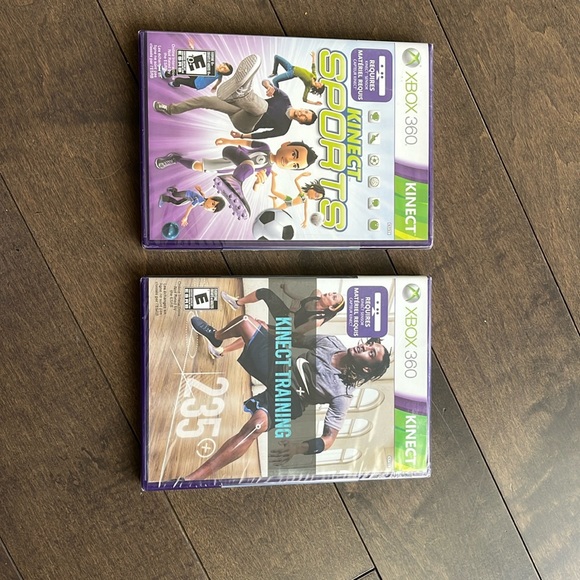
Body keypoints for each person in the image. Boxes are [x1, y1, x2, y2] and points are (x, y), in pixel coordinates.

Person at [172, 313, 390, 484]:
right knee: (245, 322)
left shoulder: (343, 394)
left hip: (289, 399)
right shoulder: (330, 342)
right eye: (370, 344)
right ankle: (216, 336)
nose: (366, 347)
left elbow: (329, 438)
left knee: (255, 426)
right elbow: (296, 338)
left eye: (371, 353)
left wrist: (298, 448)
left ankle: (194, 478)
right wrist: (266, 328)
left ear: (366, 368)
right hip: (281, 366)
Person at [153, 54, 317, 139]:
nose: (302, 114)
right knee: (204, 100)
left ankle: (243, 91)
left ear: (301, 122)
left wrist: (241, 136)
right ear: (304, 108)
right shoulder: (284, 98)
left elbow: (262, 135)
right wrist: (268, 86)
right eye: (306, 112)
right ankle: (170, 109)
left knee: (261, 108)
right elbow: (266, 81)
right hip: (239, 107)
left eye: (304, 118)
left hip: (245, 124)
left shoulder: (284, 128)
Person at [208, 286, 345, 358]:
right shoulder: (317, 293)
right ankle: (237, 303)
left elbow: (295, 331)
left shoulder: (318, 320)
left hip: (288, 333)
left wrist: (292, 313)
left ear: (332, 307)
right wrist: (287, 291)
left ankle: (221, 351)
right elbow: (301, 300)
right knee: (265, 293)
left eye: (334, 297)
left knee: (256, 329)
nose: (330, 294)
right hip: (289, 315)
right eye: (333, 292)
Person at [154, 139, 318, 192]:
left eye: (294, 166)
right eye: (294, 154)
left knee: (198, 166)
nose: (289, 161)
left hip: (229, 167)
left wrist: (258, 183)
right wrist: (228, 140)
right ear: (286, 144)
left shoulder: (267, 169)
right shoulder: (265, 147)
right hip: (233, 153)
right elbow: (246, 142)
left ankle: (175, 159)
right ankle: (235, 183)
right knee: (249, 165)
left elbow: (257, 188)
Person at [157, 184, 225, 226]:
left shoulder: (204, 201)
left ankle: (165, 198)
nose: (210, 207)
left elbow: (203, 195)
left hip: (189, 199)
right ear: (211, 197)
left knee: (178, 203)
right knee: (175, 195)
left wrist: (200, 190)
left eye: (213, 209)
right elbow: (190, 208)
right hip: (187, 194)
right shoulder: (199, 201)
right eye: (213, 203)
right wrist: (185, 217)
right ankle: (173, 190)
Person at [160, 62, 233, 90]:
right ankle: (166, 74)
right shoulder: (215, 70)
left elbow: (219, 80)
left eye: (224, 69)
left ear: (224, 73)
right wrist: (215, 86)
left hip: (196, 84)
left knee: (177, 80)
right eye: (223, 65)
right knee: (182, 69)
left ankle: (176, 84)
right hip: (198, 76)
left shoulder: (217, 74)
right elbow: (199, 60)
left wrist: (215, 86)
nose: (222, 67)